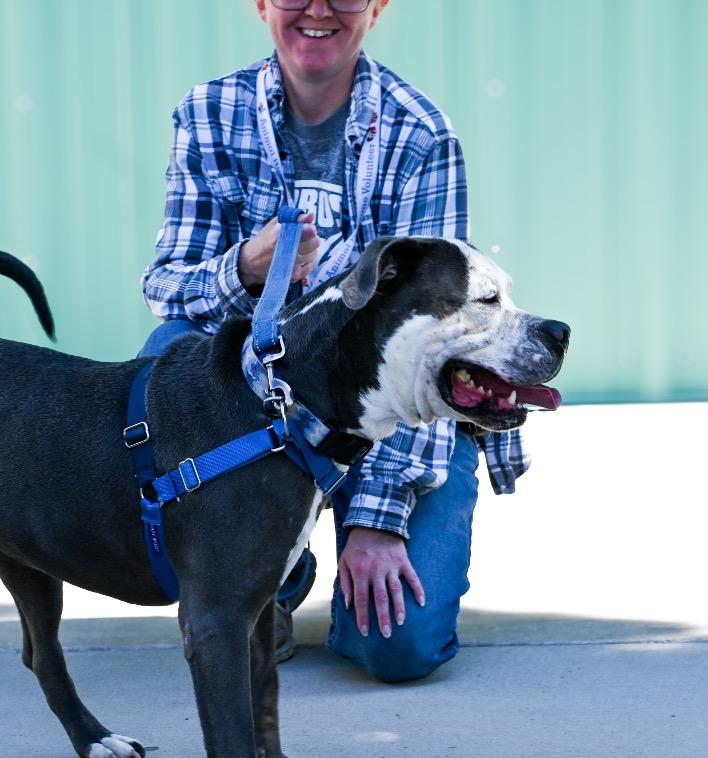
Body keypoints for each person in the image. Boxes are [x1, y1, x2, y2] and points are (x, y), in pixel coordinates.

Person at [139, 0, 529, 680]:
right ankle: (272, 575)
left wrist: (380, 519)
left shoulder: (421, 134)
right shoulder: (207, 113)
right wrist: (245, 270)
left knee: (398, 645)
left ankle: (331, 531)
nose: (318, 10)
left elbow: (441, 342)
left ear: (376, 8)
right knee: (167, 353)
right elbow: (168, 287)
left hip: (387, 411)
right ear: (261, 4)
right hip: (264, 400)